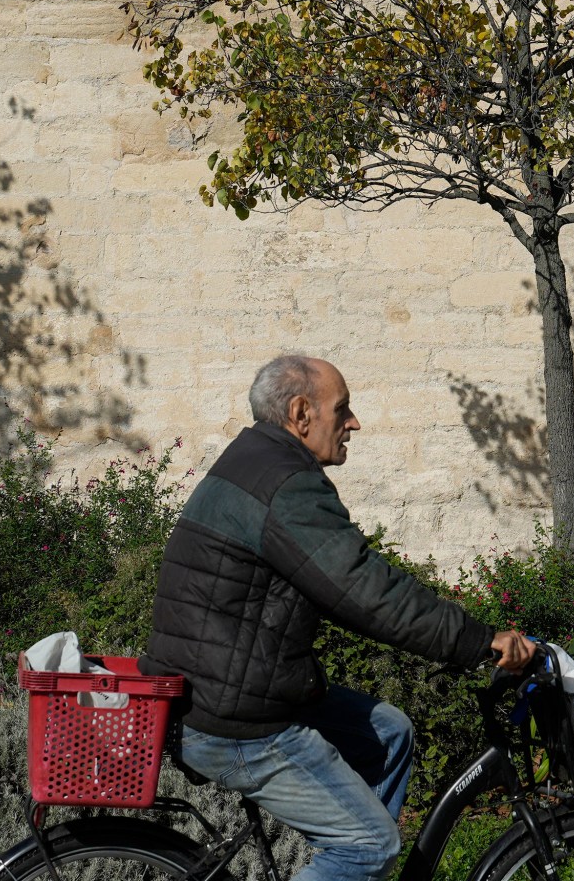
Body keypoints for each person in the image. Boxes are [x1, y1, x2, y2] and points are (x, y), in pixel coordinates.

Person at [144, 355, 538, 881]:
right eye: (343, 409)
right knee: (369, 846)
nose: (353, 423)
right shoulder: (285, 485)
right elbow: (366, 590)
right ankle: (353, 863)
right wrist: (479, 641)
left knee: (389, 733)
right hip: (235, 719)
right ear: (301, 413)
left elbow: (349, 586)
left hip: (228, 688)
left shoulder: (256, 459)